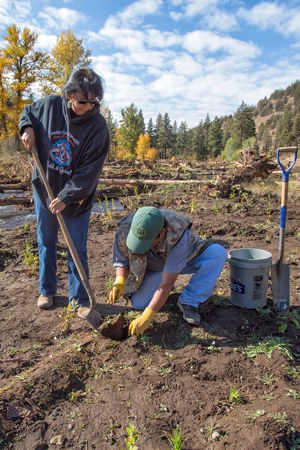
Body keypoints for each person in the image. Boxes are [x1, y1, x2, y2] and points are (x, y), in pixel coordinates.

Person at [20, 67, 109, 317]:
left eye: (94, 102)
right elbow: (27, 112)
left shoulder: (98, 127)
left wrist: (66, 197)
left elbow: (89, 172)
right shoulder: (49, 106)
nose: (89, 107)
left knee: (76, 247)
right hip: (45, 188)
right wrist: (26, 128)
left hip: (77, 199)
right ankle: (46, 290)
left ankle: (79, 298)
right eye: (83, 101)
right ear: (70, 95)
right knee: (46, 240)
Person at [108, 206, 227, 336]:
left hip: (185, 257)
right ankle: (156, 286)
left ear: (162, 233)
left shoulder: (177, 232)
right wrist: (120, 279)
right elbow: (121, 261)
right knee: (139, 304)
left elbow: (167, 282)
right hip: (152, 268)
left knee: (217, 253)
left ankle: (189, 301)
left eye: (147, 242)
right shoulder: (124, 229)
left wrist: (148, 316)